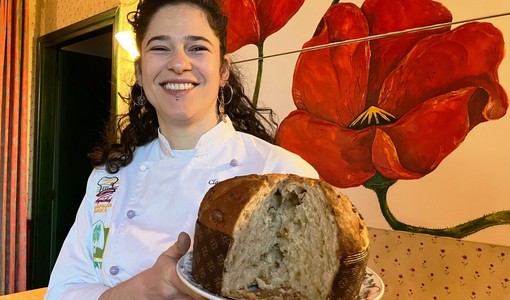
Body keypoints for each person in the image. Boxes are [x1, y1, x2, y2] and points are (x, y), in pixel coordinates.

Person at [45, 0, 318, 299]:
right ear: (139, 72)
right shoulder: (110, 177)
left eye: (197, 48)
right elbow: (62, 291)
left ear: (223, 69)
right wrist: (146, 288)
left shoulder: (285, 175)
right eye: (160, 48)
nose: (178, 63)